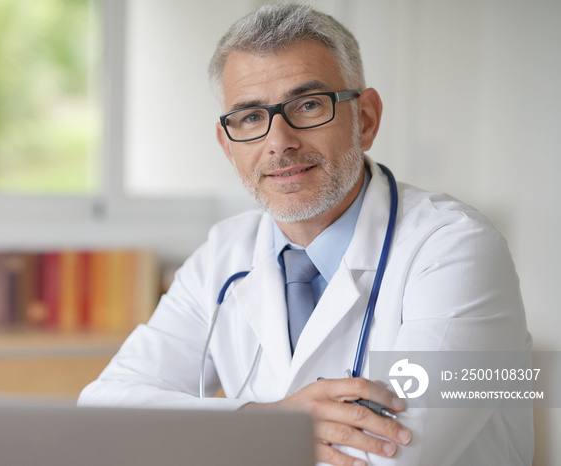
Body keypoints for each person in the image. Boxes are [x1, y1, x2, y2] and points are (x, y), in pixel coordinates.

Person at [78, 4, 533, 465]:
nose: (279, 142)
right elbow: (104, 412)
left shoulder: (461, 250)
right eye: (251, 117)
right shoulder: (222, 255)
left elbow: (394, 455)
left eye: (309, 105)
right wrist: (267, 424)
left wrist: (218, 440)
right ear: (227, 145)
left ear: (367, 118)